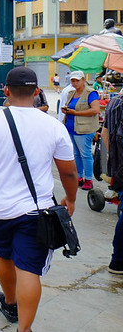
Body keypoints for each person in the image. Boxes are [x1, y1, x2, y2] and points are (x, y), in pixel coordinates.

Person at [0, 66, 77, 332]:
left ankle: (10, 302)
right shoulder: (53, 126)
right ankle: (24, 329)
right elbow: (69, 171)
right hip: (36, 210)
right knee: (28, 268)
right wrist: (71, 199)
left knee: (3, 256)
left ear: (6, 91)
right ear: (37, 92)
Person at [61, 70, 100, 191]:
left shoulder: (90, 93)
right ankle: (79, 177)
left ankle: (88, 179)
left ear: (83, 80)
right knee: (76, 154)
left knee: (85, 154)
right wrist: (66, 111)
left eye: (77, 80)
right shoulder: (71, 93)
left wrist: (76, 113)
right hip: (72, 127)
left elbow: (95, 110)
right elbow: (70, 107)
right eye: (73, 80)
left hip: (84, 129)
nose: (75, 83)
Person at [99, 88, 123, 275]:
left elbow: (105, 134)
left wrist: (116, 159)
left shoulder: (114, 103)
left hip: (119, 168)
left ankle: (118, 261)